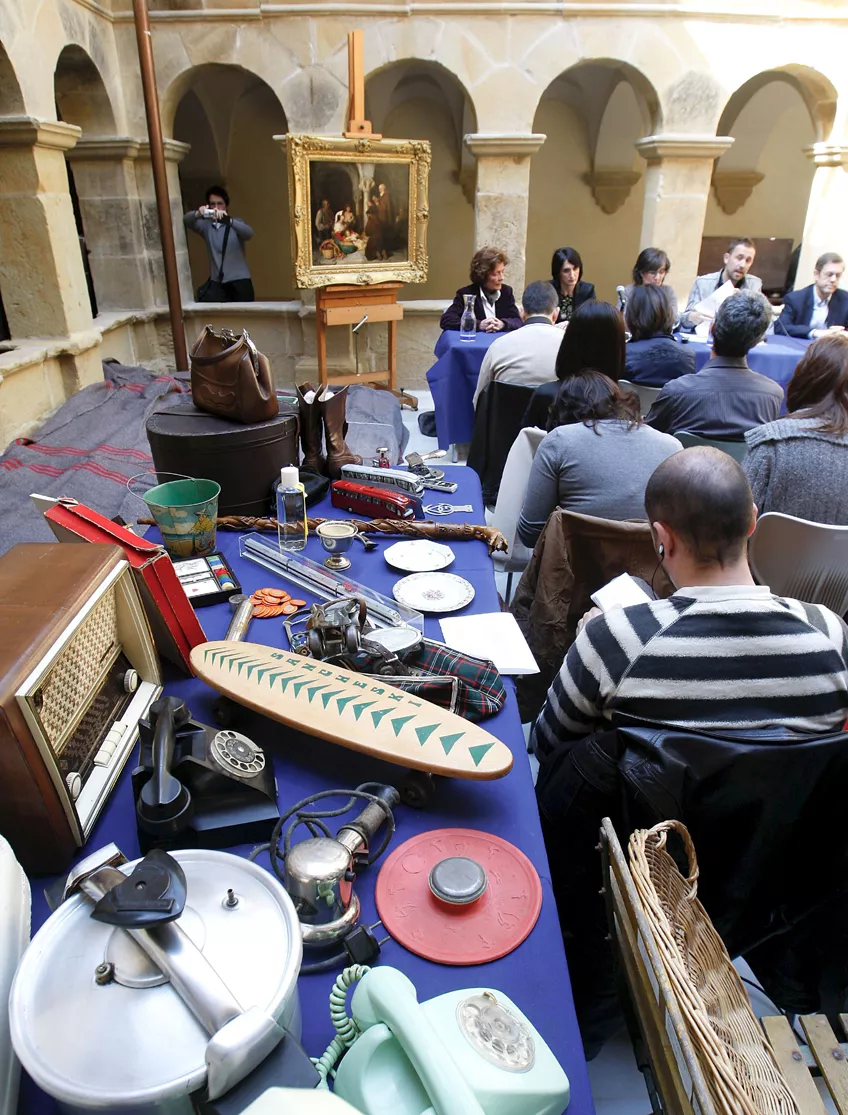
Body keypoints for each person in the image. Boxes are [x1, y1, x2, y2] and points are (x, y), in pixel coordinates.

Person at [532, 445, 848, 762]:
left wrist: (590, 641)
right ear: (752, 521)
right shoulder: (831, 633)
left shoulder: (612, 639)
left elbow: (547, 745)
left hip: (643, 812)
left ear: (662, 538)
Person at [516, 372, 681, 547]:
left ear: (562, 412)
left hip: (573, 571)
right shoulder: (672, 447)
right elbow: (681, 531)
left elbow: (530, 534)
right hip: (653, 570)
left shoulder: (558, 441)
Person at [646, 290, 781, 439]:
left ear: (712, 328)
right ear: (756, 342)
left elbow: (649, 439)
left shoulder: (677, 391)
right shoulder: (773, 395)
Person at [744, 333, 848, 524]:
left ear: (804, 377)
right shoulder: (772, 443)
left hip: (769, 554)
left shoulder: (772, 444)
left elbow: (735, 529)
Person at [522, 301, 626, 428]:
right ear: (618, 347)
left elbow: (527, 442)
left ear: (570, 341)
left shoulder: (546, 395)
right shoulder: (627, 399)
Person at [472, 281, 562, 406]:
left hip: (505, 425)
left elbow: (479, 403)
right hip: (554, 425)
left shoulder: (498, 346)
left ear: (522, 314)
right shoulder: (570, 345)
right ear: (556, 314)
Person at [183, 185, 254, 302]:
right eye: (213, 204)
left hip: (240, 280)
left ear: (226, 206)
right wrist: (198, 213)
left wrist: (228, 220)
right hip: (218, 282)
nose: (216, 208)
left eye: (220, 203)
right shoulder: (206, 226)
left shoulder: (236, 223)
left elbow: (249, 233)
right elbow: (187, 221)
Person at [679, 237, 762, 331]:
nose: (742, 265)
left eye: (748, 260)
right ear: (726, 258)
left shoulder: (755, 284)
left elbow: (761, 323)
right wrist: (693, 317)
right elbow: (684, 321)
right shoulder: (702, 283)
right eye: (739, 258)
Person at [624, 285, 695, 386]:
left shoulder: (624, 353)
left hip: (637, 401)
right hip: (672, 402)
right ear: (668, 314)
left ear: (631, 315)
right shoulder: (688, 355)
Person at [439, 247, 522, 333]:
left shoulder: (506, 292)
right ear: (482, 275)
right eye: (496, 274)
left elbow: (517, 321)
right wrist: (478, 324)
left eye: (502, 272)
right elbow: (446, 320)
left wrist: (502, 324)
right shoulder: (466, 294)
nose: (502, 278)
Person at [777, 252, 848, 339]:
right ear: (816, 274)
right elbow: (781, 328)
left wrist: (843, 333)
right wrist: (815, 332)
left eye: (838, 275)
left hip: (832, 351)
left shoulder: (845, 300)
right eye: (829, 274)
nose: (833, 279)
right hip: (801, 348)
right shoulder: (795, 299)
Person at [620, 247, 677, 321]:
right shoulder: (628, 291)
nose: (657, 277)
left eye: (661, 272)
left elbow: (674, 319)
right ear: (641, 272)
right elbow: (622, 319)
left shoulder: (668, 292)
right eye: (652, 273)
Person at [549, 247, 596, 325]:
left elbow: (591, 320)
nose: (572, 275)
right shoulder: (548, 290)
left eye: (575, 269)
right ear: (558, 272)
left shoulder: (587, 290)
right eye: (566, 271)